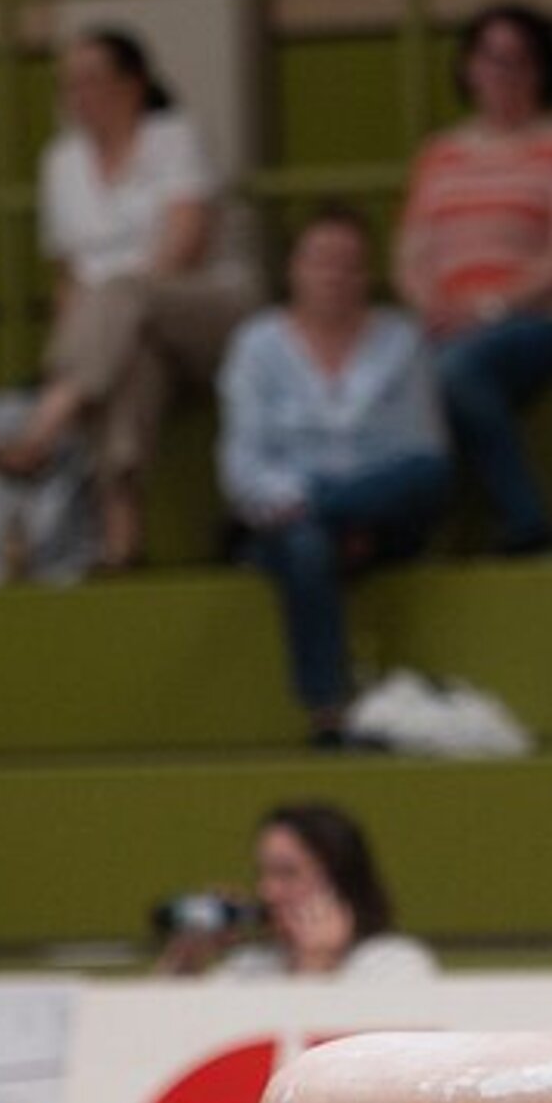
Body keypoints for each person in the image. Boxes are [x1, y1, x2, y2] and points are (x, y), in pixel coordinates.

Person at [0, 28, 260, 569]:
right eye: (68, 84)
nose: (78, 95)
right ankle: (122, 541)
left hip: (206, 309)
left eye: (91, 80)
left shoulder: (176, 136)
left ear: (133, 83)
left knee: (123, 296)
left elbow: (185, 245)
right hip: (125, 340)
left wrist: (100, 329)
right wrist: (88, 340)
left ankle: (47, 422)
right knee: (134, 361)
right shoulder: (60, 162)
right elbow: (68, 278)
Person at [218, 205, 452, 745]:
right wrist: (299, 503)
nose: (335, 276)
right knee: (305, 544)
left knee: (427, 473)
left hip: (381, 506)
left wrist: (334, 505)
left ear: (367, 274)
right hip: (286, 512)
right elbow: (243, 464)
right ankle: (329, 710)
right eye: (321, 261)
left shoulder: (401, 340)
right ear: (293, 269)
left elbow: (422, 449)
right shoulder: (257, 347)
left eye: (349, 264)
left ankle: (326, 516)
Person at [392, 2, 552, 552]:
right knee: (388, 369)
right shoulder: (439, 156)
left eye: (518, 61)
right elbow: (410, 253)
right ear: (468, 67)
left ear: (541, 70)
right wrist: (433, 306)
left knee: (457, 370)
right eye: (490, 58)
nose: (502, 74)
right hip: (449, 325)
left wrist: (489, 307)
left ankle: (528, 524)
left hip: (546, 323)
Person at [156, 801, 436, 979]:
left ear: (341, 881)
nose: (267, 891)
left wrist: (317, 964)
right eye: (263, 873)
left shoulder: (395, 964)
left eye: (287, 873)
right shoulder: (249, 967)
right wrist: (185, 963)